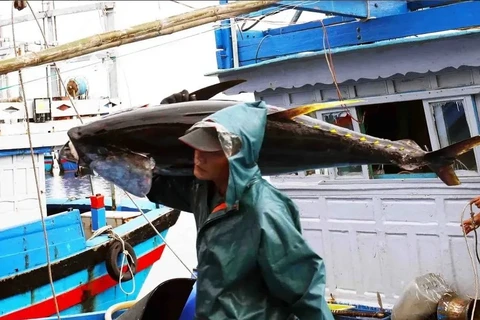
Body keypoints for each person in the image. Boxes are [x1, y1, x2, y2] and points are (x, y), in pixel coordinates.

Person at [146, 90, 334, 320]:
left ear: (237, 157)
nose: (198, 157)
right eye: (196, 146)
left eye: (211, 152)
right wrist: (162, 124)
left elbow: (304, 291)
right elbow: (152, 185)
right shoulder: (204, 192)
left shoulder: (264, 211)